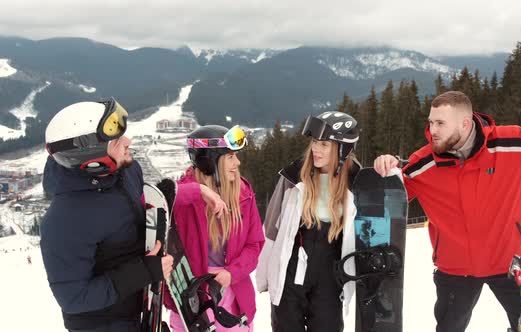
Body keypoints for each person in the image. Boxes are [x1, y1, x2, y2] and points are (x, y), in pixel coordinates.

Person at [373, 86, 521, 332]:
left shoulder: (513, 144)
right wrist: (386, 168)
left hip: (511, 264)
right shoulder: (424, 164)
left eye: (440, 123)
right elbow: (392, 197)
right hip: (456, 269)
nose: (432, 130)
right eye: (431, 122)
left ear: (465, 124)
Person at [41, 99, 173, 332]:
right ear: (93, 159)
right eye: (117, 141)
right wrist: (144, 272)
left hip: (138, 312)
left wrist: (173, 200)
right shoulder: (64, 220)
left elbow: (135, 212)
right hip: (102, 325)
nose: (128, 142)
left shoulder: (127, 171)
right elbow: (74, 298)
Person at [256, 111, 362, 332]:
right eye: (314, 142)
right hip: (292, 267)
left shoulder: (357, 182)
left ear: (342, 149)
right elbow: (272, 227)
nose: (316, 149)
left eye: (324, 144)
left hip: (330, 273)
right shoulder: (295, 177)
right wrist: (266, 274)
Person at [163, 125, 265, 331]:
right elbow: (146, 200)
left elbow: (254, 245)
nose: (237, 162)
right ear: (208, 162)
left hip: (231, 297)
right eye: (230, 157)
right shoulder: (181, 199)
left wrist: (231, 273)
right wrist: (196, 192)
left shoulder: (243, 194)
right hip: (192, 300)